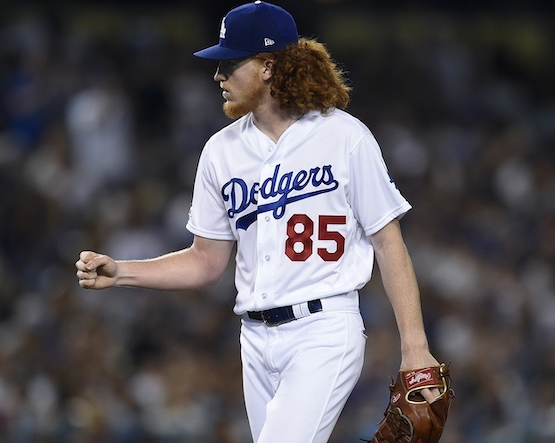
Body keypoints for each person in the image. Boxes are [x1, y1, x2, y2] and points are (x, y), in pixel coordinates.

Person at [76, 2, 441, 442]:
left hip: (323, 329)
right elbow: (205, 261)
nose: (218, 76)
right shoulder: (220, 151)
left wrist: (415, 347)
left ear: (269, 66)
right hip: (255, 339)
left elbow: (388, 243)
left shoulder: (344, 135)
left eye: (230, 64)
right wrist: (122, 272)